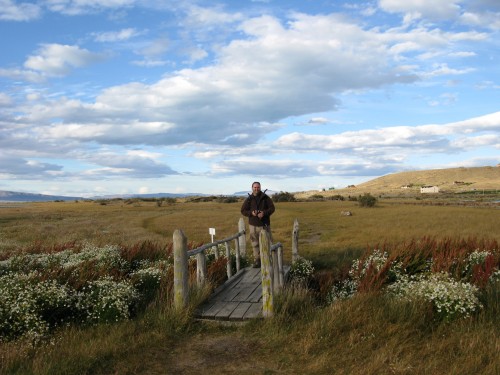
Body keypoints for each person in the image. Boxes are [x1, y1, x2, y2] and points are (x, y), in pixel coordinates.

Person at [240, 181, 275, 268]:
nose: (256, 189)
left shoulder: (265, 198)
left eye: (258, 187)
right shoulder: (249, 199)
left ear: (260, 188)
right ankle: (257, 261)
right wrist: (251, 213)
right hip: (253, 226)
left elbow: (272, 208)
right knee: (255, 244)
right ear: (252, 188)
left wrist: (264, 213)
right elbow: (243, 210)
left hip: (265, 225)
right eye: (255, 187)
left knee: (267, 243)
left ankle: (268, 261)